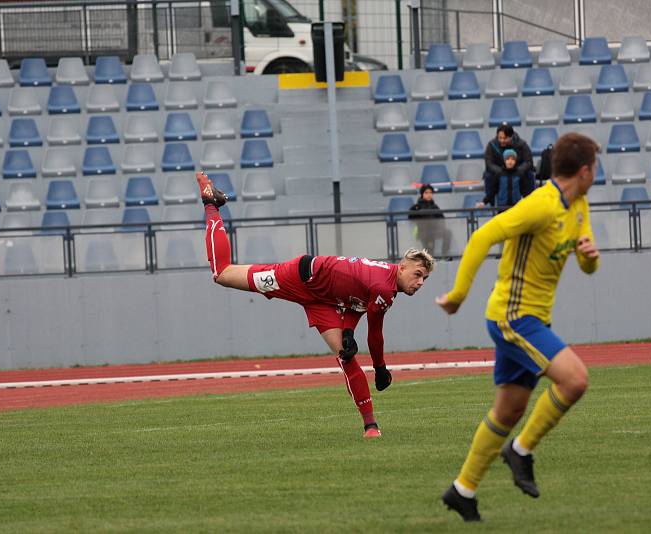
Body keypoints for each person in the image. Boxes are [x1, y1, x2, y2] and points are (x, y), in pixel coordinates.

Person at [436, 133, 601, 522]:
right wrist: (458, 294)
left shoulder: (578, 206)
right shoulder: (541, 205)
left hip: (534, 318)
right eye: (595, 167)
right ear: (584, 170)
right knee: (575, 380)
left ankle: (463, 490)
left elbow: (586, 264)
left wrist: (590, 258)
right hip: (512, 317)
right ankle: (521, 451)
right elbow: (483, 235)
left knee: (508, 410)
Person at [196, 171, 435, 439]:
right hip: (298, 278)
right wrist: (380, 368)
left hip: (325, 299)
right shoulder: (384, 289)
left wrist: (347, 331)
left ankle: (370, 426)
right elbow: (375, 334)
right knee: (223, 274)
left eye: (424, 277)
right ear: (402, 267)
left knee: (346, 355)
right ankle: (211, 204)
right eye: (417, 274)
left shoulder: (386, 280)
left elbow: (355, 299)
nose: (420, 281)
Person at [484, 124, 534, 201]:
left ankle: (529, 201)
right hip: (500, 173)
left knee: (530, 174)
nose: (502, 140)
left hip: (517, 172)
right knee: (488, 175)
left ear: (511, 136)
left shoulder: (521, 144)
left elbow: (528, 162)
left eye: (505, 138)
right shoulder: (492, 145)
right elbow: (489, 163)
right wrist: (501, 171)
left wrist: (518, 171)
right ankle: (491, 202)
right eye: (499, 138)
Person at [408, 184, 452, 259]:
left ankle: (444, 255)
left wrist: (440, 227)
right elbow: (411, 217)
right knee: (429, 252)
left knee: (448, 232)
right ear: (422, 194)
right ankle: (429, 260)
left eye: (430, 193)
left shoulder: (435, 206)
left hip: (435, 231)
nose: (429, 195)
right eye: (426, 193)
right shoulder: (417, 206)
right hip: (424, 232)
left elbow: (441, 218)